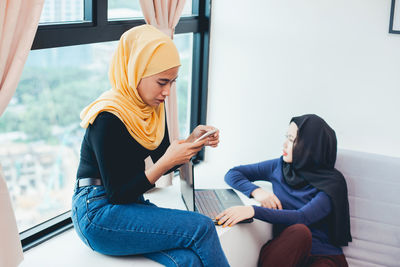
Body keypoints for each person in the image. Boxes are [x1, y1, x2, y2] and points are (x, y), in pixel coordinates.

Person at [71, 24, 230, 267]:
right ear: (136, 72)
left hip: (126, 203)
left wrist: (191, 141)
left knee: (188, 260)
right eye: (161, 82)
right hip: (97, 213)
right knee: (203, 227)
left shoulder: (151, 109)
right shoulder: (108, 117)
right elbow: (118, 194)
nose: (167, 92)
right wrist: (168, 160)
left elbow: (162, 160)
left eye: (172, 82)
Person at [216, 114, 351, 267]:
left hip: (323, 256)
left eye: (292, 140)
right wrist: (257, 191)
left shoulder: (332, 183)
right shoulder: (279, 167)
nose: (284, 144)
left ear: (310, 147)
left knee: (304, 232)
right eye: (286, 137)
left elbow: (302, 217)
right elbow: (233, 174)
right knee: (300, 233)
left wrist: (253, 211)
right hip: (287, 250)